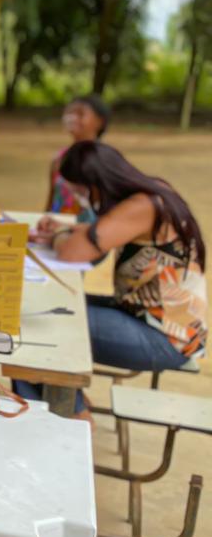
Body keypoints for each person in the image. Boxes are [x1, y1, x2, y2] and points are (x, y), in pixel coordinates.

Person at [27, 141, 206, 416]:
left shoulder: (144, 206)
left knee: (45, 325)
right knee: (48, 312)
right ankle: (69, 403)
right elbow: (103, 231)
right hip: (141, 314)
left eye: (79, 191)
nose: (80, 199)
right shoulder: (152, 192)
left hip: (163, 336)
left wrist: (62, 236)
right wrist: (68, 229)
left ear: (96, 182)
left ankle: (73, 414)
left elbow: (72, 252)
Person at [46, 93, 109, 219]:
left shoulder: (104, 159)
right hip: (55, 228)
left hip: (86, 230)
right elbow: (52, 198)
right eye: (69, 113)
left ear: (100, 122)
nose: (73, 118)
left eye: (80, 114)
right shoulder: (59, 158)